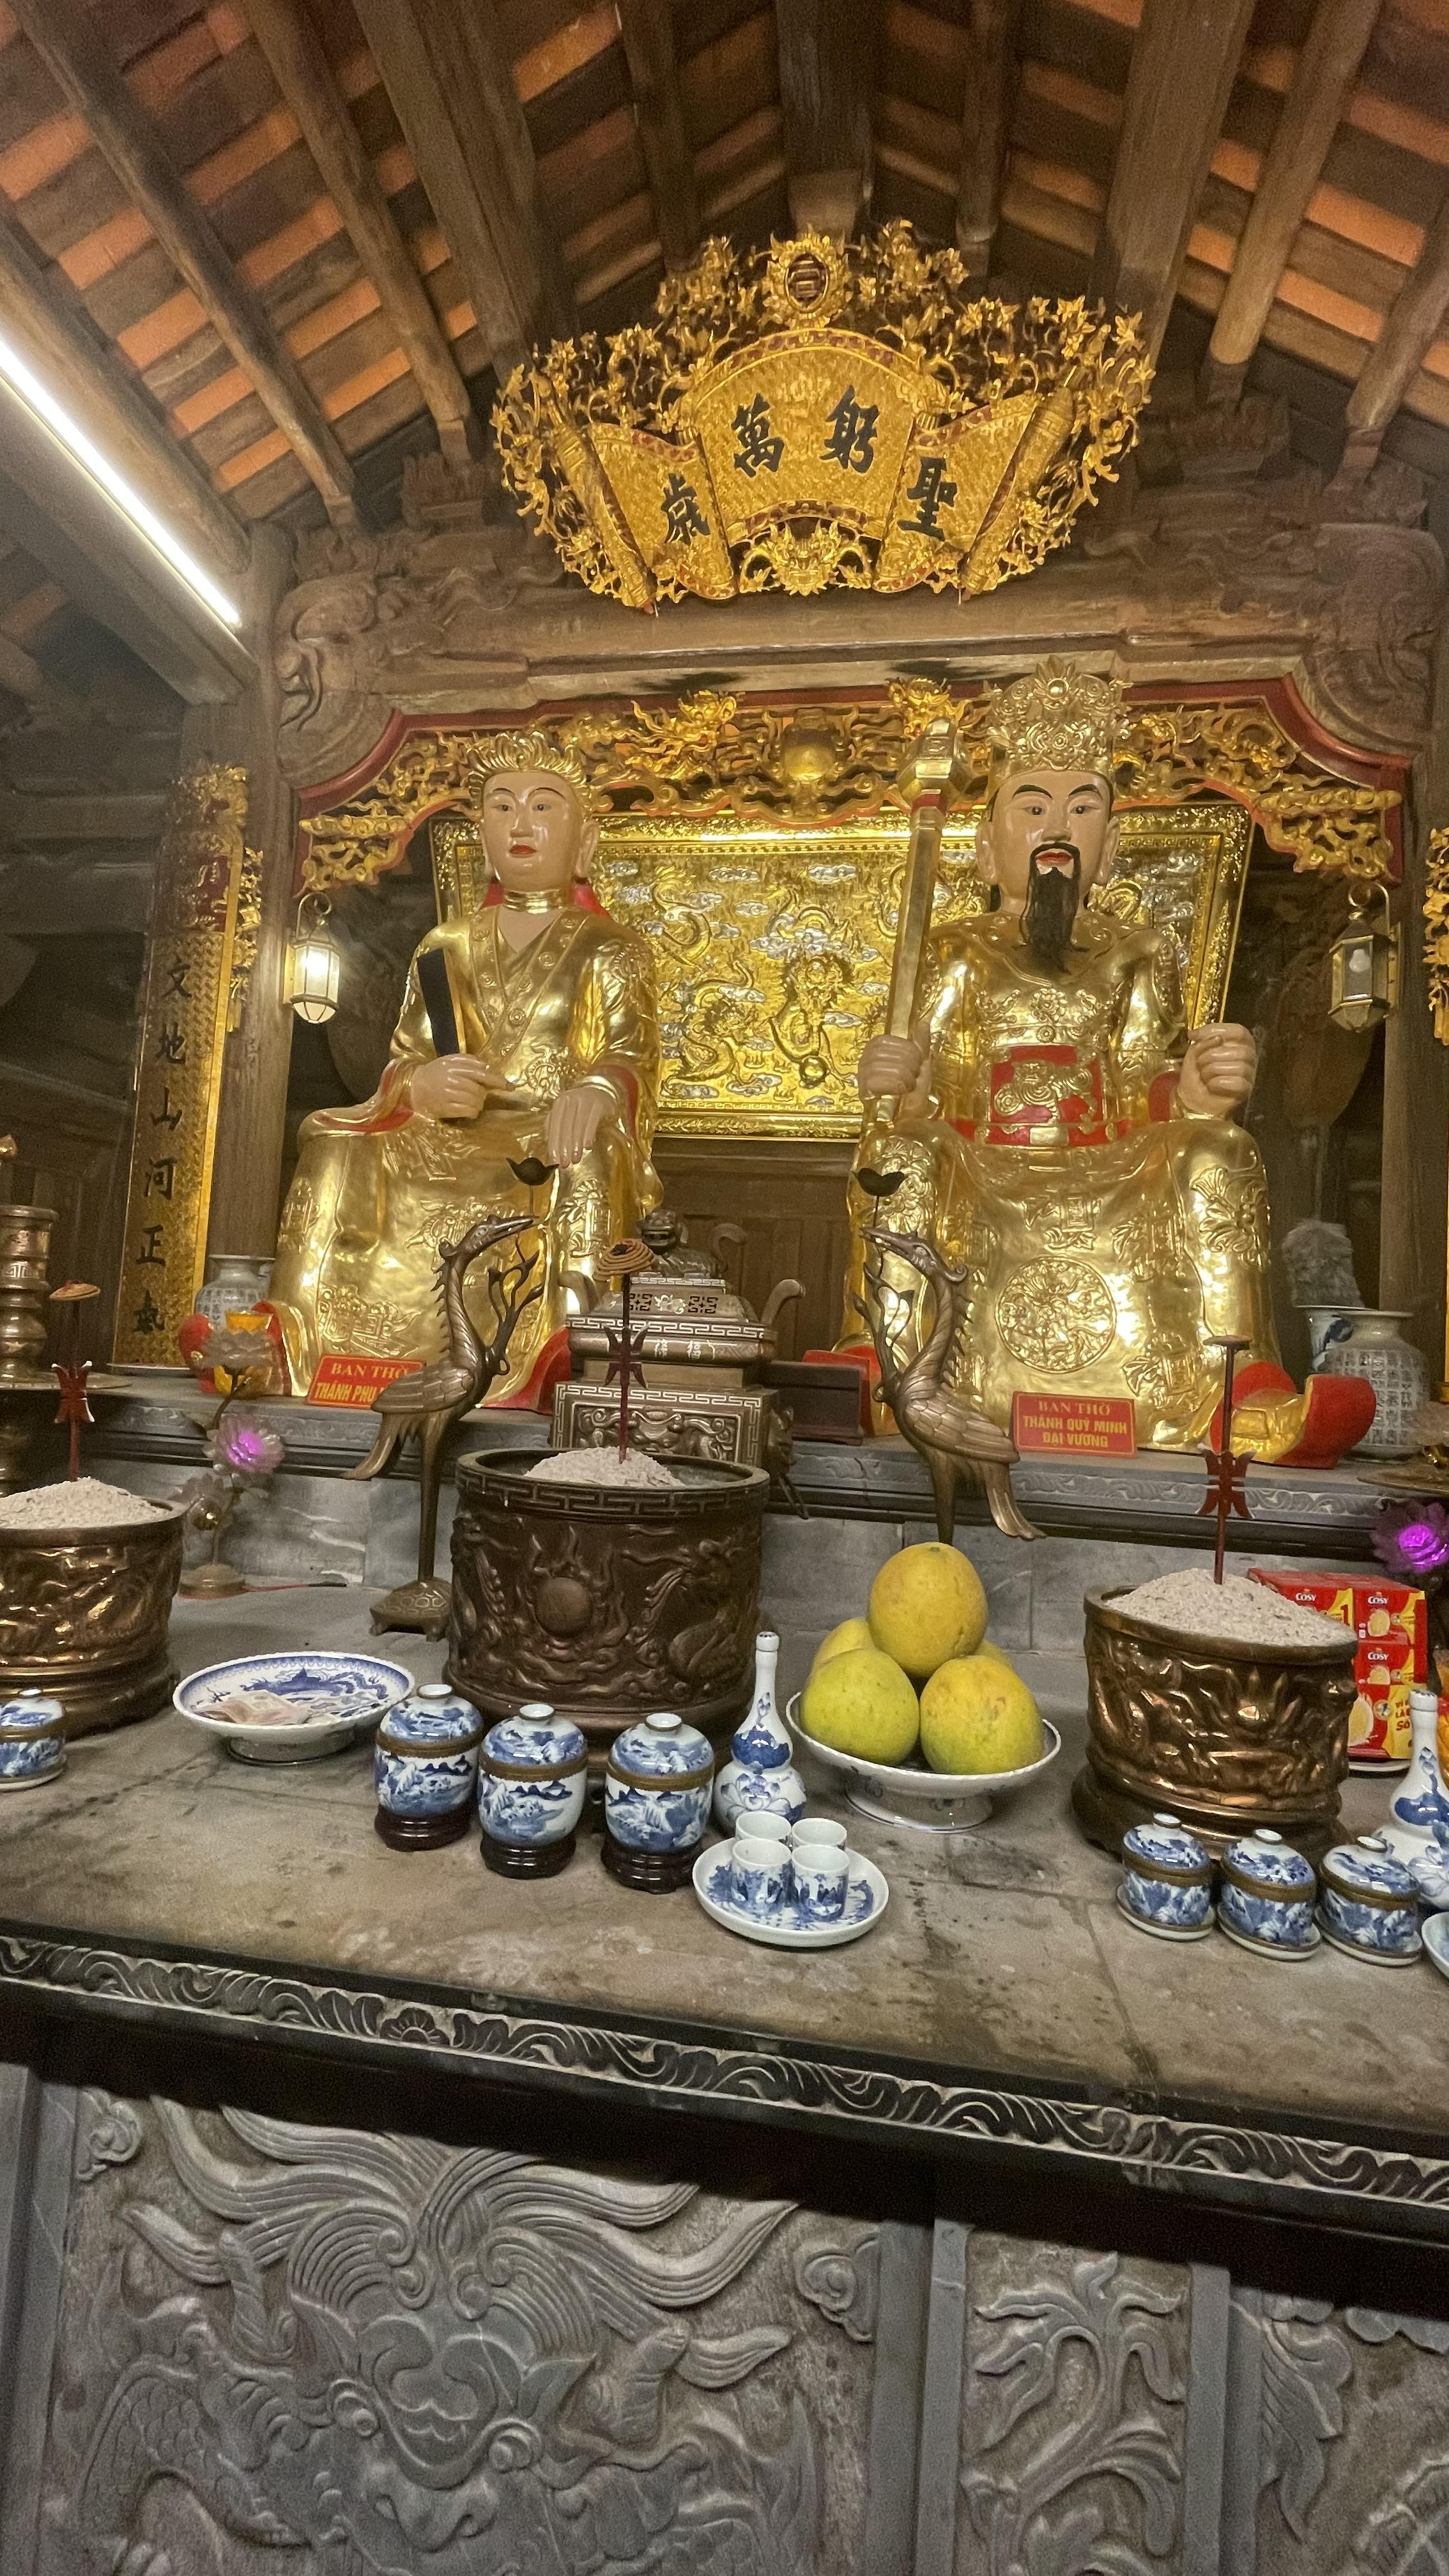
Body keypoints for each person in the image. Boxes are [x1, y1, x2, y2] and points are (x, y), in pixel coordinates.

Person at [845, 656, 1324, 1455]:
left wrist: (1199, 1093)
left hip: (1107, 1159)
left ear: (1109, 847)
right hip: (981, 1154)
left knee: (1221, 1150)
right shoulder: (955, 949)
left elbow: (1143, 1076)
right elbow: (923, 1078)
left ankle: (1241, 1384)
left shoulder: (1137, 949)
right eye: (1032, 808)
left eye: (1083, 809)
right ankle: (885, 1362)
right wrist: (902, 1085)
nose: (1058, 829)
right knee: (899, 1152)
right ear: (986, 843)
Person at [267, 732, 661, 1402]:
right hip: (451, 1130)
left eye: (543, 808)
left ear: (585, 841)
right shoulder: (444, 944)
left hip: (545, 1136)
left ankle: (565, 1344)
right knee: (332, 1140)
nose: (521, 826)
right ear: (483, 835)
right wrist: (419, 1086)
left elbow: (628, 1053)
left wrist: (595, 1090)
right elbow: (409, 1054)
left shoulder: (612, 948)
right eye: (502, 809)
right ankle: (292, 1336)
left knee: (587, 1152)